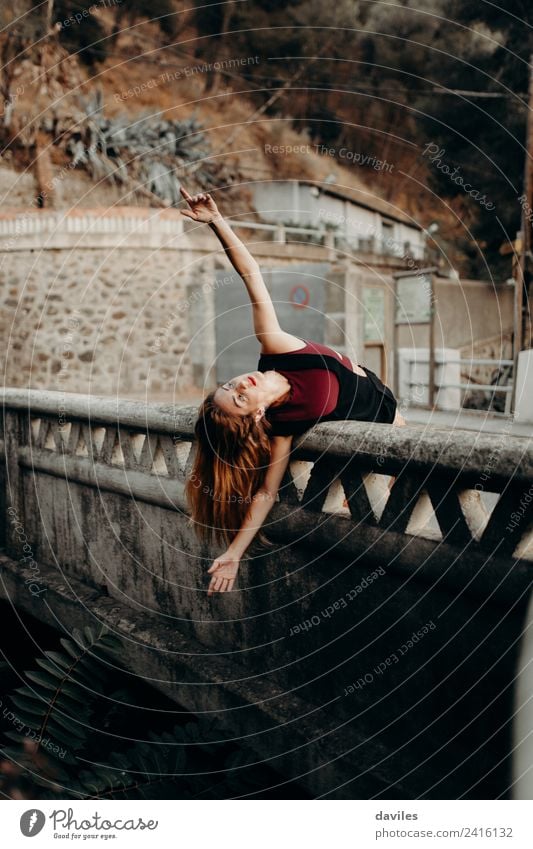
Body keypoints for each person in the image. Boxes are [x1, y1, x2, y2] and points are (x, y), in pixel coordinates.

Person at [180, 186, 405, 596]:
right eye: (240, 397)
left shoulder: (276, 346)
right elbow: (266, 493)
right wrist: (233, 553)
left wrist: (217, 222)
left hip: (387, 409)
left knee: (407, 496)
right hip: (370, 428)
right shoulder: (284, 425)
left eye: (231, 385)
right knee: (387, 523)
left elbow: (252, 276)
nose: (241, 383)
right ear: (256, 416)